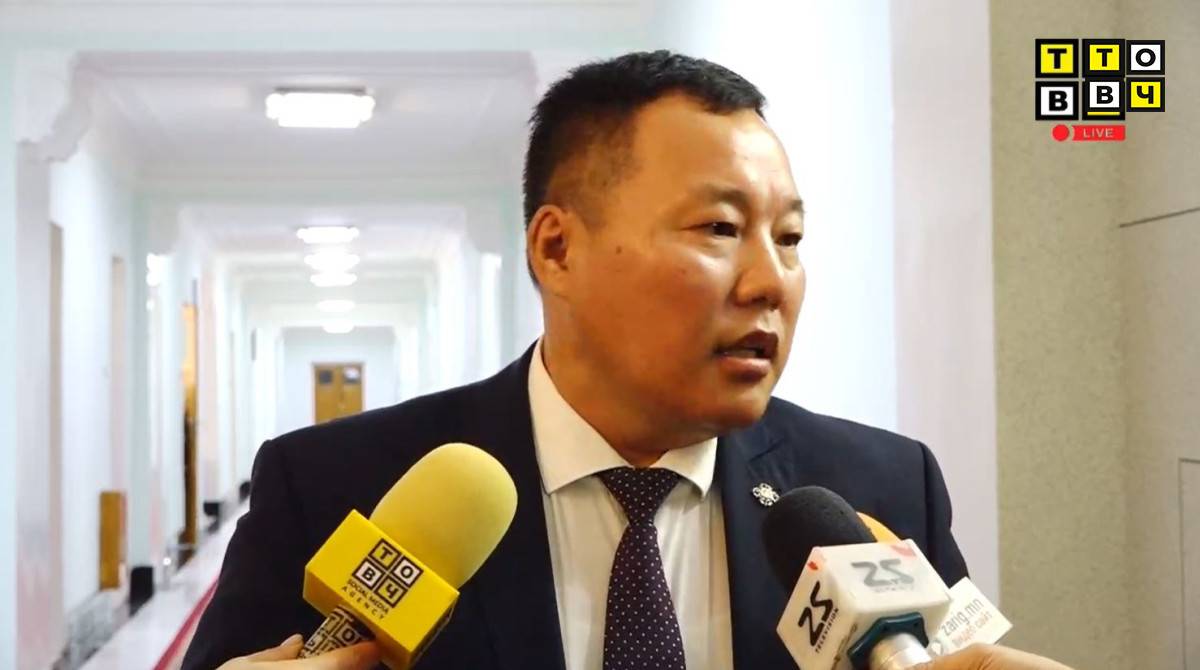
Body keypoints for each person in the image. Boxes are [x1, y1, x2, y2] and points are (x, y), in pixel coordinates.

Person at [186, 50, 1070, 670]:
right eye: (719, 228)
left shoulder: (875, 491)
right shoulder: (332, 486)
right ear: (557, 249)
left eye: (791, 237)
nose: (772, 279)